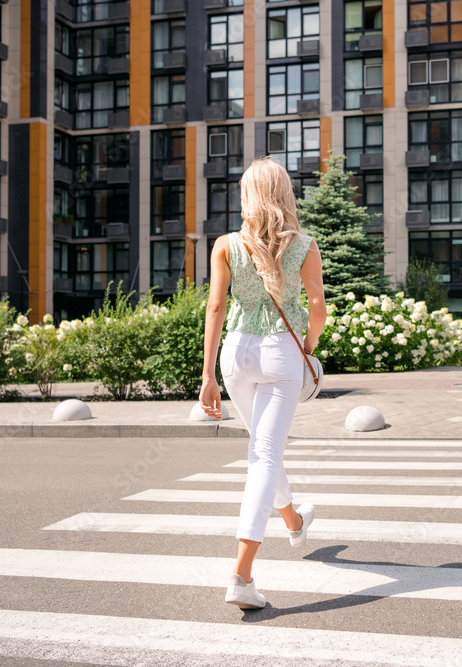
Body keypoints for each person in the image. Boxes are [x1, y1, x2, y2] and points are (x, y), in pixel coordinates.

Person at [199, 157, 326, 610]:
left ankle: (293, 520)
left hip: (235, 353)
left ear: (247, 194)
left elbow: (215, 308)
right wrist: (308, 345)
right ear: (285, 193)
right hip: (280, 353)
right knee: (264, 456)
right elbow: (317, 308)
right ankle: (241, 575)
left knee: (261, 448)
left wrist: (207, 375)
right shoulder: (305, 246)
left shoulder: (225, 245)